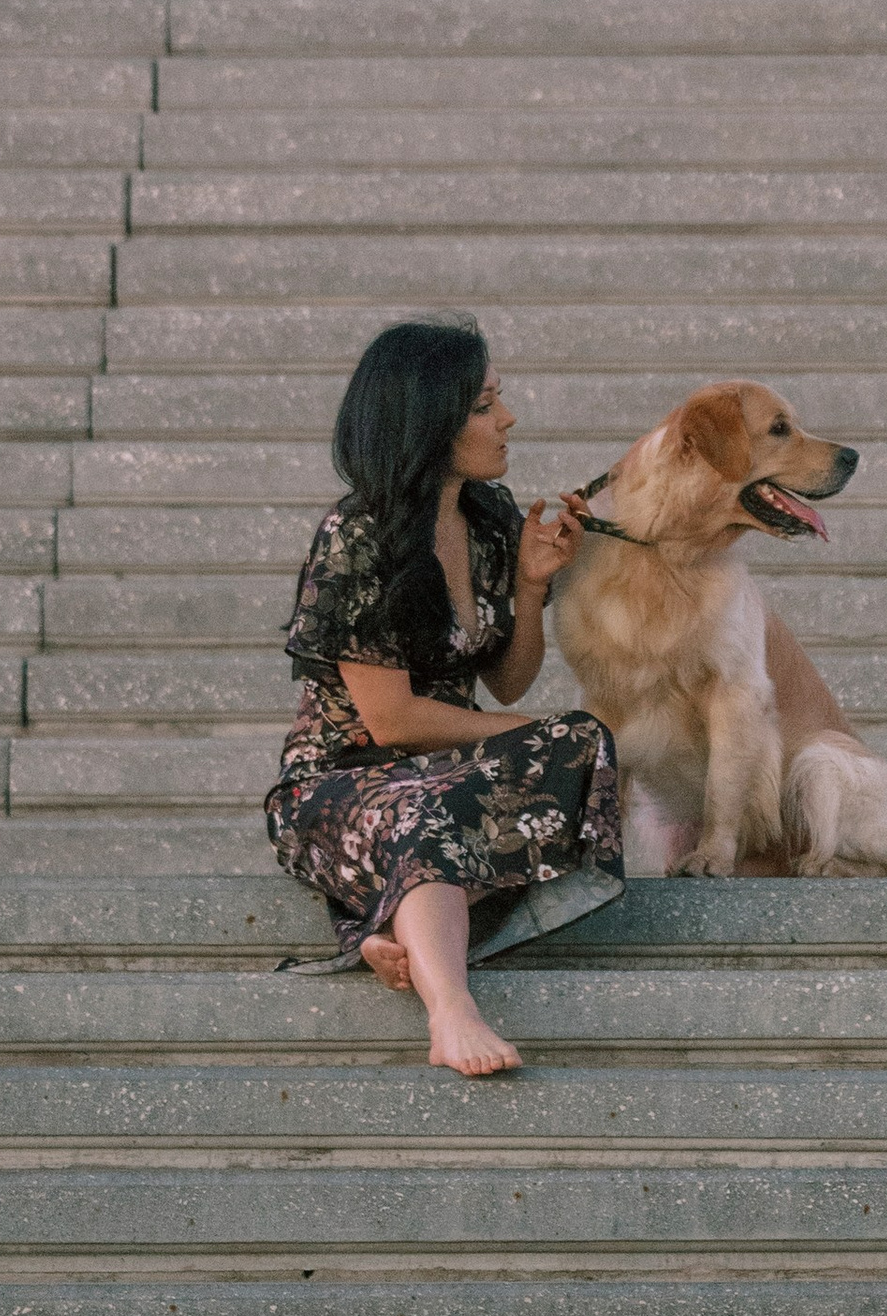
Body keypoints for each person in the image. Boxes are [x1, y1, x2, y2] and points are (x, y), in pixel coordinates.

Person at [265, 317, 623, 1075]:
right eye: (485, 403)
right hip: (340, 781)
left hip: (448, 772)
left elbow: (508, 678)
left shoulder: (489, 519)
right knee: (432, 809)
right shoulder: (356, 535)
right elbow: (391, 720)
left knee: (581, 744)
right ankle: (451, 1007)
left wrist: (530, 585)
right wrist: (522, 727)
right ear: (430, 419)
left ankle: (374, 922)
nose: (508, 418)